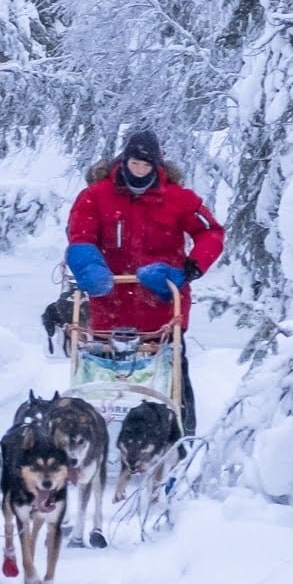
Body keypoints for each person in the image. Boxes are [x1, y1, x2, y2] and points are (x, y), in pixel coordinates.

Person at [63, 127, 223, 432]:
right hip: (109, 304)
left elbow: (210, 232)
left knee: (174, 373)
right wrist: (88, 265)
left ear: (156, 165)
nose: (138, 170)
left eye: (145, 165)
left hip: (162, 304)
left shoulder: (179, 199)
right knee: (105, 375)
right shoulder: (95, 196)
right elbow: (79, 235)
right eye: (134, 163)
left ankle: (181, 432)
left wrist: (192, 267)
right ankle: (100, 430)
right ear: (123, 161)